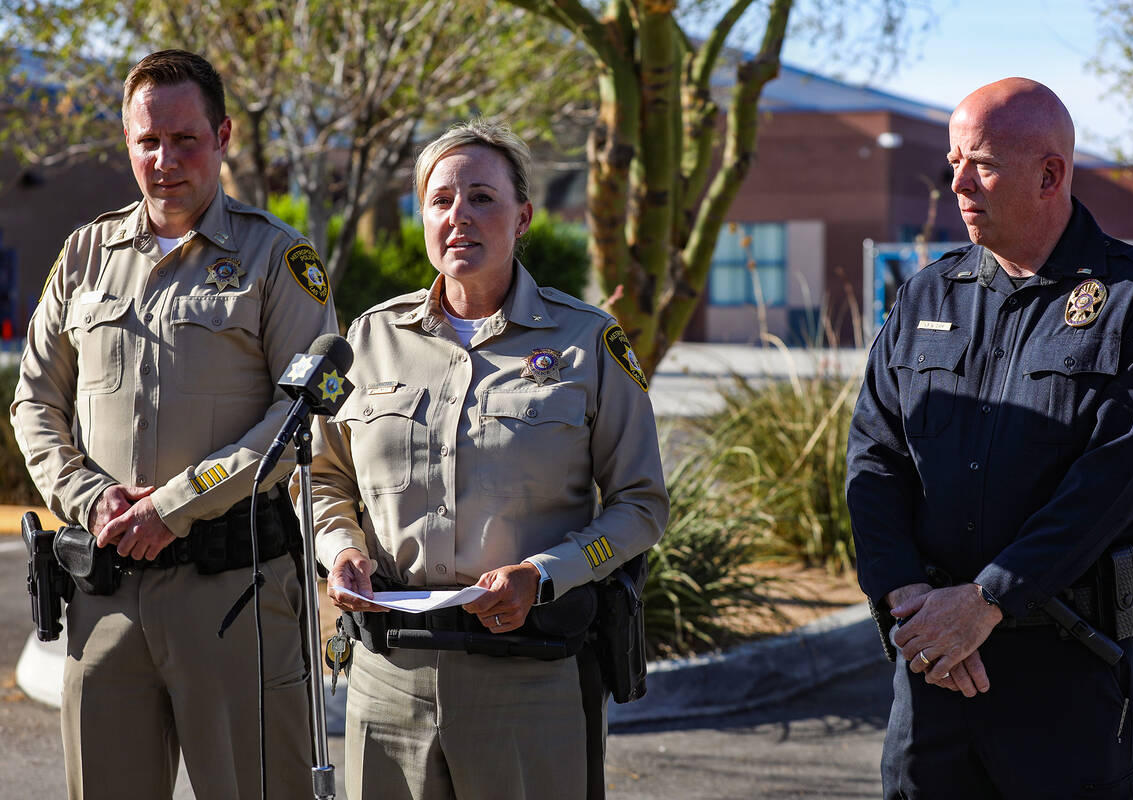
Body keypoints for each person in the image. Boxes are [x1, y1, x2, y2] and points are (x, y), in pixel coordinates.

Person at [301, 119, 669, 799]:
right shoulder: (370, 337)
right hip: (389, 679)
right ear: (422, 218)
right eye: (441, 200)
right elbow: (324, 478)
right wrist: (339, 549)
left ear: (523, 216)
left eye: (482, 197)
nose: (459, 216)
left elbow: (641, 505)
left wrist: (544, 573)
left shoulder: (588, 342)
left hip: (526, 676)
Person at [846, 78, 1133, 798]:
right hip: (934, 663)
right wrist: (908, 599)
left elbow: (1111, 480)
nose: (958, 182)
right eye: (953, 161)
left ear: (1050, 175)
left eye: (983, 165)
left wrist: (989, 599)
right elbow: (874, 458)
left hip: (1065, 671)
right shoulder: (927, 294)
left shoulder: (1131, 297)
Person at [10, 50, 336, 798]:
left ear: (222, 136)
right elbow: (35, 402)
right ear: (127, 142)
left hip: (232, 595)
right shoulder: (84, 256)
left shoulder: (276, 259)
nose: (164, 160)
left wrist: (176, 504)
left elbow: (294, 422)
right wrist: (89, 496)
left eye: (185, 139)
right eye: (146, 141)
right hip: (105, 592)